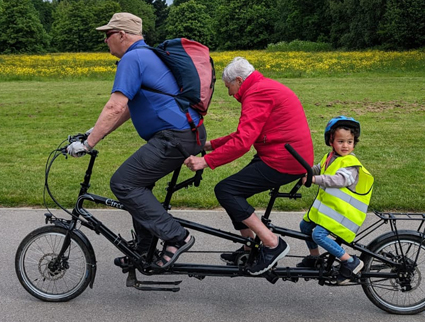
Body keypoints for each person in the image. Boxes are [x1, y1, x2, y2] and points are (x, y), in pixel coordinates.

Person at [66, 12, 206, 269]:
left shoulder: (133, 58)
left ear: (121, 35)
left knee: (124, 183)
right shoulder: (145, 55)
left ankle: (177, 236)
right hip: (182, 134)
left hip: (174, 137)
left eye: (107, 35)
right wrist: (93, 132)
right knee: (138, 185)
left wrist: (87, 146)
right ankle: (145, 251)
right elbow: (127, 108)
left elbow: (115, 107)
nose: (105, 41)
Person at [184, 57, 314, 275]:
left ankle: (272, 243)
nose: (229, 93)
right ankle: (249, 247)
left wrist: (206, 161)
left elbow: (243, 142)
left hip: (284, 160)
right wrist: (209, 145)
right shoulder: (262, 87)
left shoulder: (257, 93)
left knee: (226, 190)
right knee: (231, 190)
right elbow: (244, 134)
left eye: (228, 87)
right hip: (282, 154)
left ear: (238, 80)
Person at [297, 116, 374, 285]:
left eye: (350, 141)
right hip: (331, 212)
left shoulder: (350, 163)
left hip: (344, 215)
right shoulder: (330, 157)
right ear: (330, 141)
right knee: (305, 226)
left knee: (318, 235)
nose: (345, 146)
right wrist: (304, 172)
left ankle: (350, 261)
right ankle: (315, 258)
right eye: (340, 141)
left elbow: (340, 180)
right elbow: (319, 168)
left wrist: (316, 180)